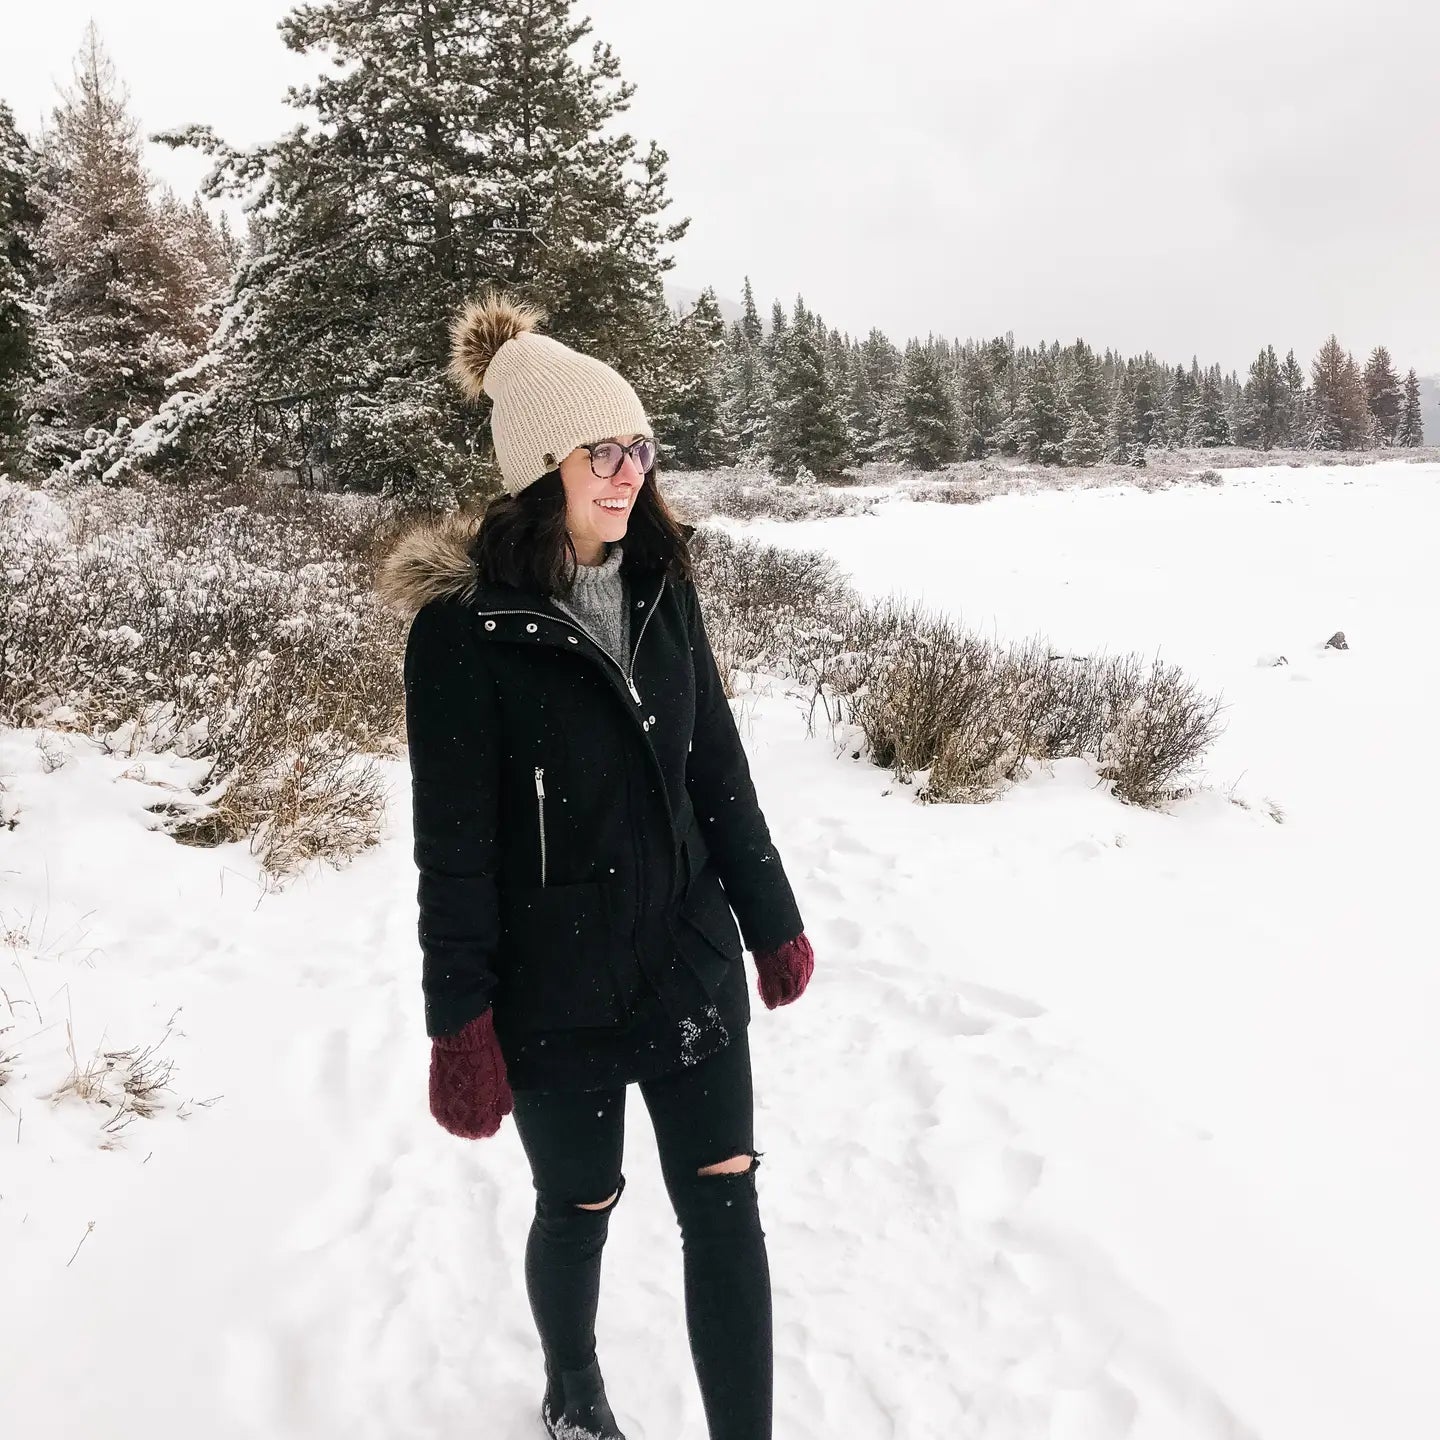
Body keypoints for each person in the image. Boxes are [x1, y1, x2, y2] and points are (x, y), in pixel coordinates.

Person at [373, 291, 815, 1440]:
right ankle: (572, 1385)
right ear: (540, 466)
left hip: (685, 955)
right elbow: (455, 846)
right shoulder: (463, 630)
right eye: (602, 452)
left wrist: (769, 918)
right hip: (552, 982)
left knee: (726, 1201)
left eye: (640, 448)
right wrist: (457, 1018)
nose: (629, 472)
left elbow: (714, 764)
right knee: (581, 1201)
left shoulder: (667, 586)